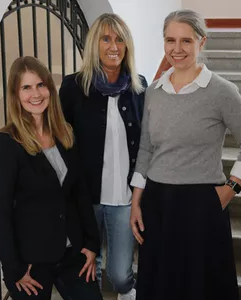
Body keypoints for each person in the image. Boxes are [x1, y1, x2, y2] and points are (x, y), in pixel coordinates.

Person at [130, 9, 241, 300]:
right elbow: (146, 147)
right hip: (157, 203)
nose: (177, 49)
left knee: (200, 289)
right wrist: (137, 199)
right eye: (170, 40)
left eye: (186, 41)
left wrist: (231, 189)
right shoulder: (153, 91)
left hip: (202, 205)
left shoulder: (221, 92)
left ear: (201, 43)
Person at [0, 56, 103, 300]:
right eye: (26, 87)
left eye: (41, 85)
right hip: (31, 263)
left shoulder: (65, 133)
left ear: (50, 89)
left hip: (74, 254)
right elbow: (1, 211)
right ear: (15, 94)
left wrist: (92, 244)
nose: (36, 94)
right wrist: (13, 270)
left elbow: (80, 191)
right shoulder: (7, 143)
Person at [59, 13, 147, 300]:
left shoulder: (139, 86)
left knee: (120, 276)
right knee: (89, 270)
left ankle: (127, 294)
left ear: (127, 45)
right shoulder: (73, 87)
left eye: (120, 39)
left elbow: (147, 142)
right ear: (95, 44)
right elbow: (62, 141)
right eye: (106, 38)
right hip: (87, 197)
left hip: (124, 198)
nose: (113, 45)